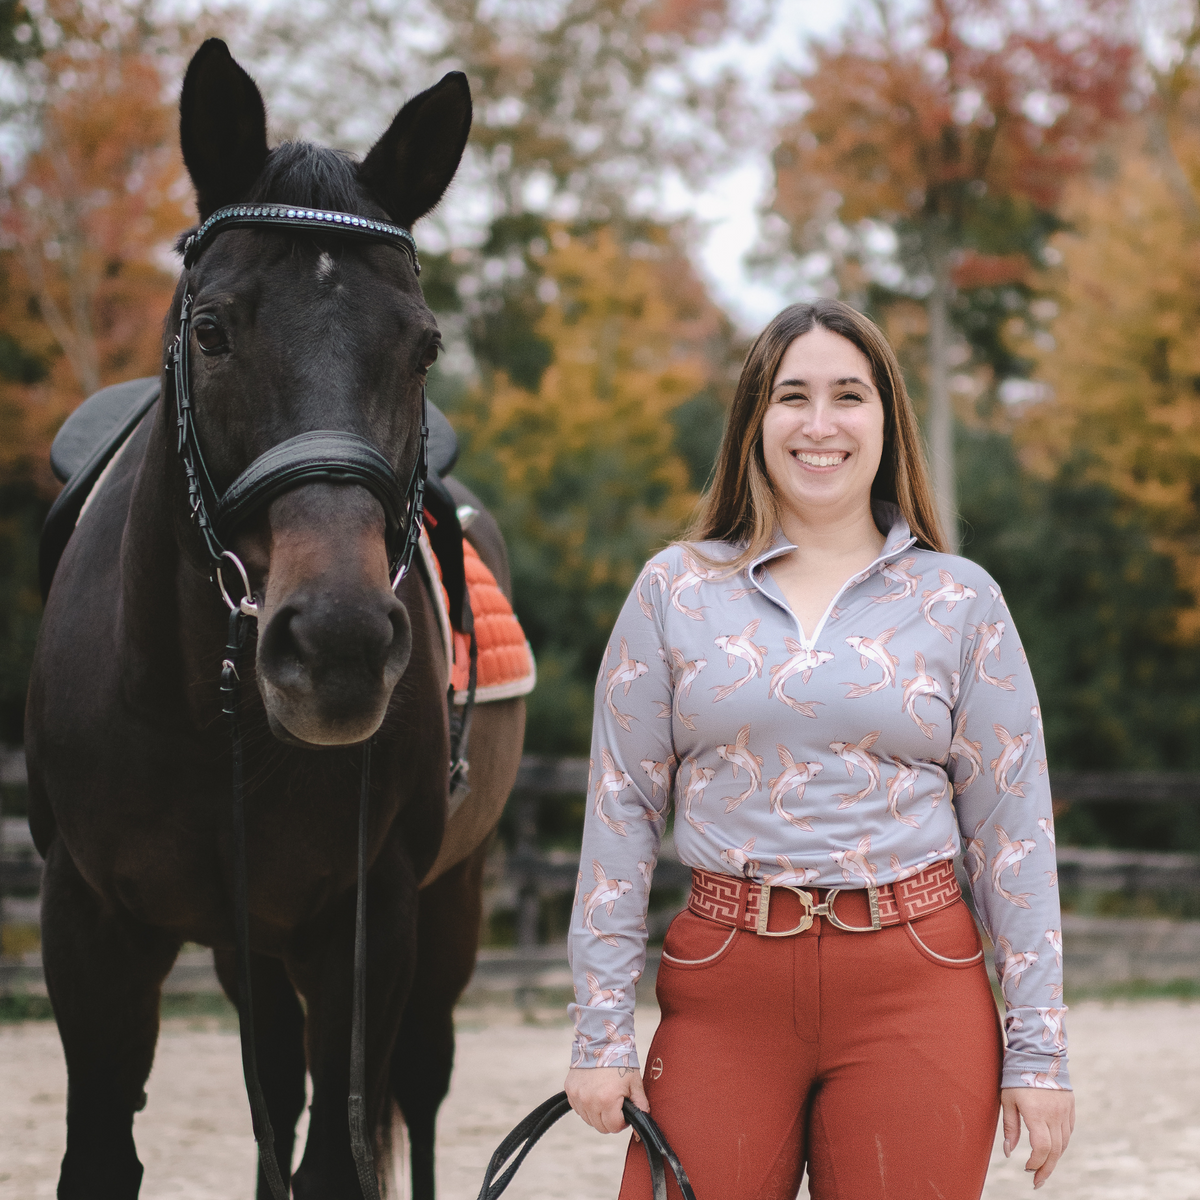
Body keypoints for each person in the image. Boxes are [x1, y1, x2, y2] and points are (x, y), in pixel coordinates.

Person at [563, 300, 1074, 1200]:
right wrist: (601, 1033)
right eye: (792, 396)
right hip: (725, 983)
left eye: (850, 394)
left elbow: (1014, 836)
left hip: (920, 984)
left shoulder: (960, 601)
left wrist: (1039, 1050)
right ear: (756, 420)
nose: (821, 423)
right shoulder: (674, 590)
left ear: (888, 420)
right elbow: (621, 817)